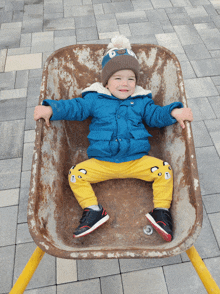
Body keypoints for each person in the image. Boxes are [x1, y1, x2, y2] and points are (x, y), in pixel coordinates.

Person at [34, 35, 193, 242]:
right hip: (103, 163)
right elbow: (75, 107)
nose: (125, 84)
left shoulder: (142, 101)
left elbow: (155, 116)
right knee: (75, 174)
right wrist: (51, 109)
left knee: (165, 171)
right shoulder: (94, 99)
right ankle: (93, 210)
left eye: (131, 79)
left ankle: (161, 212)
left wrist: (174, 113)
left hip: (136, 161)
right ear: (106, 82)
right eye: (118, 78)